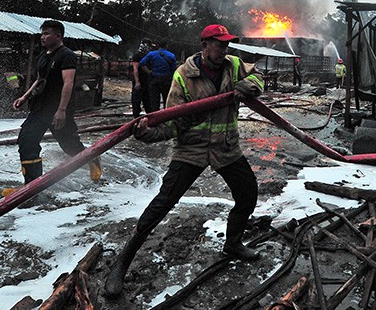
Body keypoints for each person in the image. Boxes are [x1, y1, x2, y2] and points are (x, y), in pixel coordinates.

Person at [104, 24, 265, 298]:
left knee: (248, 193)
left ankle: (233, 243)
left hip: (226, 148)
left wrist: (249, 86)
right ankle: (122, 262)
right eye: (219, 44)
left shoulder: (235, 65)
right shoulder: (183, 76)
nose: (224, 49)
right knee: (163, 203)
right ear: (204, 45)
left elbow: (260, 78)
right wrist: (146, 134)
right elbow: (171, 124)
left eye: (226, 45)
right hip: (191, 150)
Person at [4, 20, 101, 197]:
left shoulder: (67, 55)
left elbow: (68, 83)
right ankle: (32, 186)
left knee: (69, 144)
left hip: (57, 109)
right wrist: (25, 97)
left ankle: (93, 159)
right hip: (40, 108)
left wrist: (62, 110)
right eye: (42, 34)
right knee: (27, 140)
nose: (43, 37)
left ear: (58, 36)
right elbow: (39, 80)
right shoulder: (43, 55)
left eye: (47, 34)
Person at [139, 39, 177, 112]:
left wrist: (149, 72)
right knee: (167, 99)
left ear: (158, 45)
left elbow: (142, 64)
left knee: (154, 101)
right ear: (166, 45)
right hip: (166, 80)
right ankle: (166, 117)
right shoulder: (171, 55)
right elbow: (173, 70)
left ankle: (155, 119)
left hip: (154, 79)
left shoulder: (151, 54)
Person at [131, 38, 153, 117]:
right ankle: (136, 116)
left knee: (147, 100)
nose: (150, 48)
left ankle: (150, 117)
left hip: (147, 81)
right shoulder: (137, 55)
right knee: (136, 100)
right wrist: (137, 81)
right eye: (149, 46)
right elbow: (135, 69)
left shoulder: (149, 55)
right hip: (140, 80)